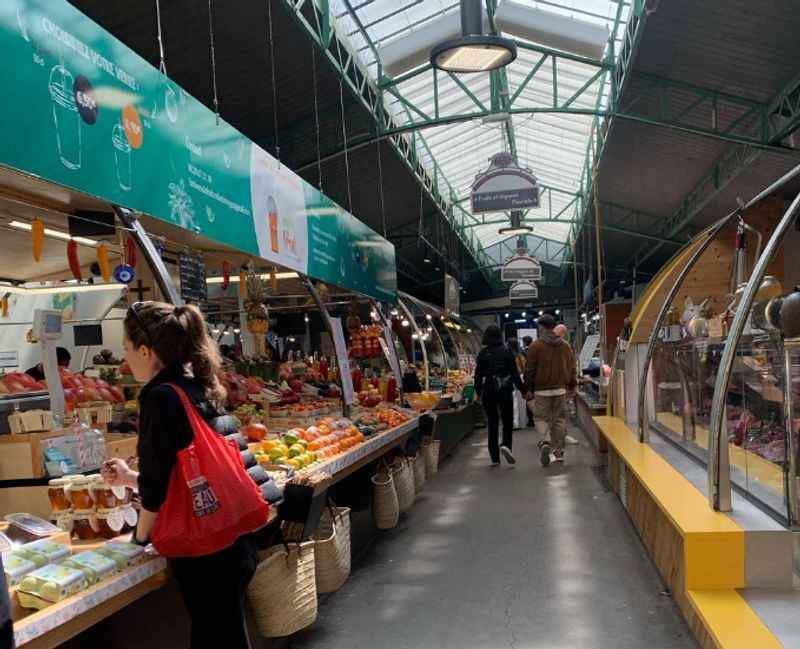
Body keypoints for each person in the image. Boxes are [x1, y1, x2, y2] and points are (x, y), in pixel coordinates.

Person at [101, 302, 259, 649]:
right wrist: (131, 478)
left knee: (214, 638)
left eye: (127, 350)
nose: (126, 360)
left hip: (205, 552)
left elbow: (157, 488)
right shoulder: (198, 384)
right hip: (234, 537)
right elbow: (188, 469)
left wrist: (140, 540)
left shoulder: (160, 397)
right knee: (227, 635)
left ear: (145, 351)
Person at [525, 314, 577, 466]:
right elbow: (572, 368)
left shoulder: (535, 346)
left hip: (541, 390)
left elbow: (529, 370)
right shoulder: (565, 346)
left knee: (541, 418)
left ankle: (546, 441)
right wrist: (572, 385)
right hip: (560, 390)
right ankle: (559, 452)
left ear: (541, 327)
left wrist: (527, 388)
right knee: (559, 420)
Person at [474, 325, 526, 465]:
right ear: (499, 336)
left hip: (488, 391)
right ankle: (506, 445)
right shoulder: (507, 352)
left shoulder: (483, 353)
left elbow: (477, 375)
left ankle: (494, 458)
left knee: (492, 423)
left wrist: (478, 393)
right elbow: (514, 374)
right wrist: (524, 391)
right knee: (507, 421)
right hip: (504, 390)